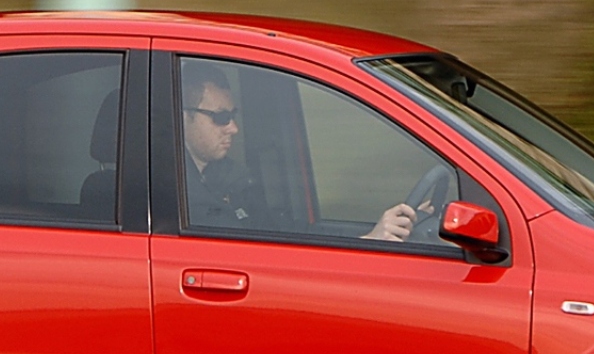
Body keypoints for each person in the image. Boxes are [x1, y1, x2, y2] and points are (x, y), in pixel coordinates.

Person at [179, 63, 426, 241]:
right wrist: (369, 242)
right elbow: (263, 264)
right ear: (183, 117)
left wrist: (370, 235)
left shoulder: (232, 180)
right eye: (221, 117)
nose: (234, 128)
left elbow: (285, 234)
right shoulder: (177, 197)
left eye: (233, 116)